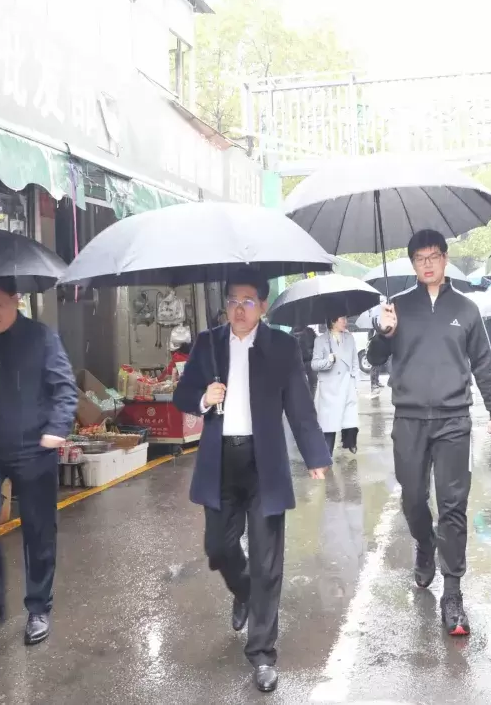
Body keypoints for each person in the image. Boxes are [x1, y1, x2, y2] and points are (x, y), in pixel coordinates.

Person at [174, 268, 331, 694]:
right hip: (221, 462)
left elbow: (299, 404)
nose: (238, 309)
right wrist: (203, 398)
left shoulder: (281, 346)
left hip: (265, 464)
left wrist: (315, 455)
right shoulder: (208, 344)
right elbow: (183, 395)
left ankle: (262, 653)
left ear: (262, 305)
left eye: (247, 301)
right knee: (218, 547)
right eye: (232, 300)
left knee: (267, 561)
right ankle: (243, 592)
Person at [366, 229, 491, 637]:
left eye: (434, 256)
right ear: (412, 263)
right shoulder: (397, 307)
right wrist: (383, 332)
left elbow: (483, 363)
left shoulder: (466, 309)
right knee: (412, 498)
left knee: (453, 504)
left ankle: (453, 594)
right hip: (409, 419)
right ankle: (425, 544)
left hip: (453, 420)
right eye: (420, 258)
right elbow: (374, 359)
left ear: (445, 259)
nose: (427, 264)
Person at [0, 277, 79, 653]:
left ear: (15, 300)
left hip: (34, 446)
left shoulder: (41, 337)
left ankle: (38, 608)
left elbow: (65, 389)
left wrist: (57, 429)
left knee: (38, 530)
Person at [311, 315, 360, 454]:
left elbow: (355, 362)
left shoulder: (349, 338)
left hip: (346, 385)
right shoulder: (320, 340)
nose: (345, 322)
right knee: (329, 425)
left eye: (345, 318)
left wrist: (355, 382)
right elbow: (314, 364)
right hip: (329, 390)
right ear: (333, 321)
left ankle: (350, 442)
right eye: (342, 319)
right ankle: (327, 455)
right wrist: (328, 361)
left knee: (350, 420)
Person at [291, 325, 318, 396]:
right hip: (301, 361)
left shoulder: (309, 331)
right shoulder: (309, 331)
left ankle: (309, 398)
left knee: (312, 383)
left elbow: (317, 344)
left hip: (307, 360)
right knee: (310, 383)